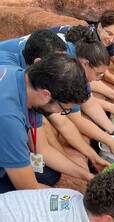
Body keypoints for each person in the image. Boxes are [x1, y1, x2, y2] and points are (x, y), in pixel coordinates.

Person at [0, 29, 114, 159]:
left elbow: (87, 102)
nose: (100, 79)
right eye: (98, 74)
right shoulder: (58, 68)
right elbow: (65, 122)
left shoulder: (67, 61)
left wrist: (113, 131)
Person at [0, 53, 92, 193]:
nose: (60, 113)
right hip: (6, 126)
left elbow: (43, 149)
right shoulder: (9, 118)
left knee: (49, 174)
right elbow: (28, 187)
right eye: (63, 109)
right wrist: (76, 199)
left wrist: (87, 175)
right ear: (46, 95)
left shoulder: (25, 81)